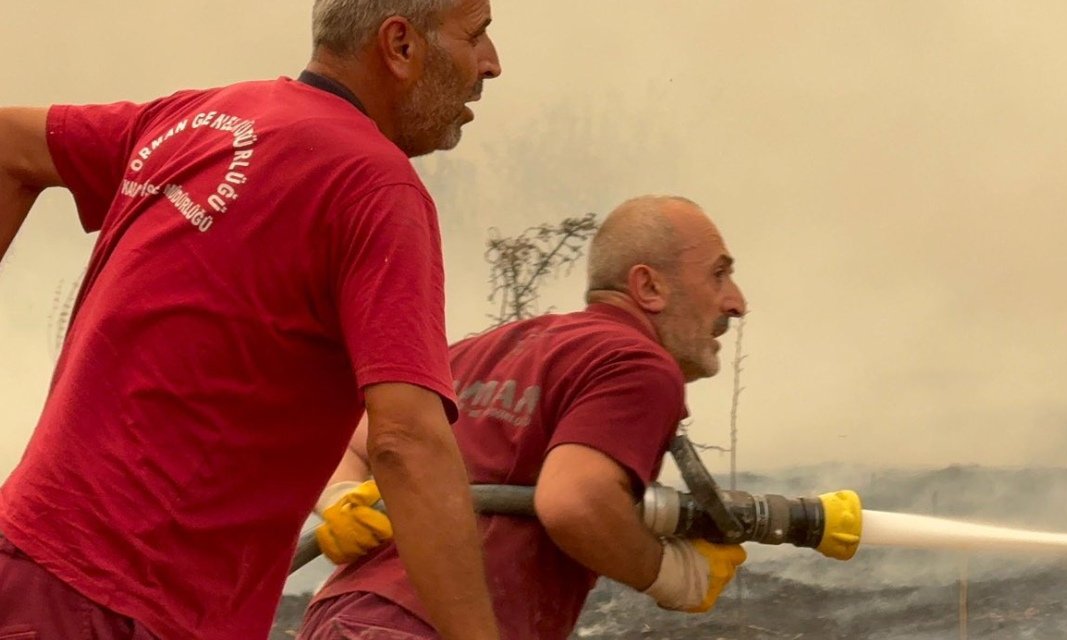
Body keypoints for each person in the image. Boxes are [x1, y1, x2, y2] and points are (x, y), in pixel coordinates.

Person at [0, 1, 502, 638]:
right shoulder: (377, 187)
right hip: (118, 610)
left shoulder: (199, 119)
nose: (492, 64)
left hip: (27, 567)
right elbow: (406, 444)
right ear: (400, 45)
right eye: (477, 34)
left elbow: (10, 142)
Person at [297, 195, 752, 639]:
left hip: (345, 616)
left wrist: (341, 497)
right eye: (718, 275)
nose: (735, 302)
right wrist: (671, 573)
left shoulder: (484, 350)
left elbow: (351, 441)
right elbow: (573, 503)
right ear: (649, 287)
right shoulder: (637, 363)